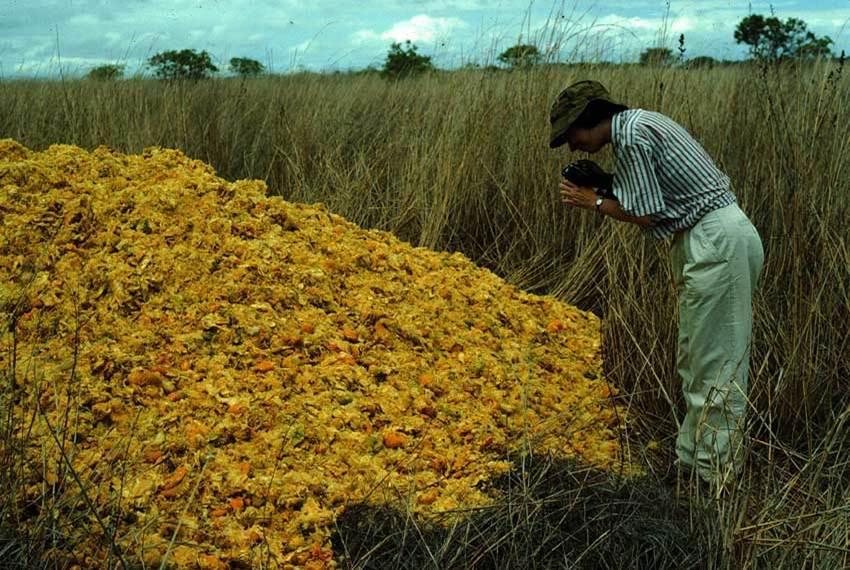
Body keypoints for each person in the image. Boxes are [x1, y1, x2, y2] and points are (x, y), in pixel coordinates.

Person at [550, 80, 764, 487]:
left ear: (588, 119)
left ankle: (714, 477)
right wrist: (605, 182)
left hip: (716, 239)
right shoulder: (636, 127)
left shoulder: (630, 136)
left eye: (570, 134)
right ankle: (692, 464)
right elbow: (655, 195)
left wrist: (593, 201)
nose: (571, 145)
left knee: (718, 364)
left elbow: (646, 214)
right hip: (707, 239)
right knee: (696, 358)